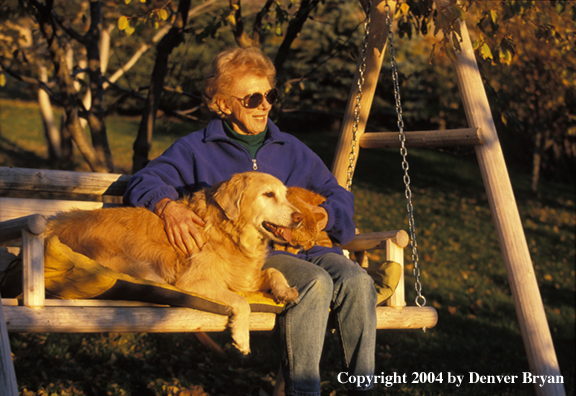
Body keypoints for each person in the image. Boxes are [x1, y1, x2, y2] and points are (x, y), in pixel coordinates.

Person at [123, 47, 377, 396]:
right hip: (253, 255)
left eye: (270, 95)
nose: (265, 105)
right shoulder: (196, 148)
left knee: (357, 280)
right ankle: (304, 392)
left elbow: (339, 197)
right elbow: (145, 181)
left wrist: (322, 216)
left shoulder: (290, 148)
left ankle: (365, 389)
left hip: (309, 246)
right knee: (314, 283)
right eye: (253, 98)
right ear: (224, 104)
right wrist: (167, 206)